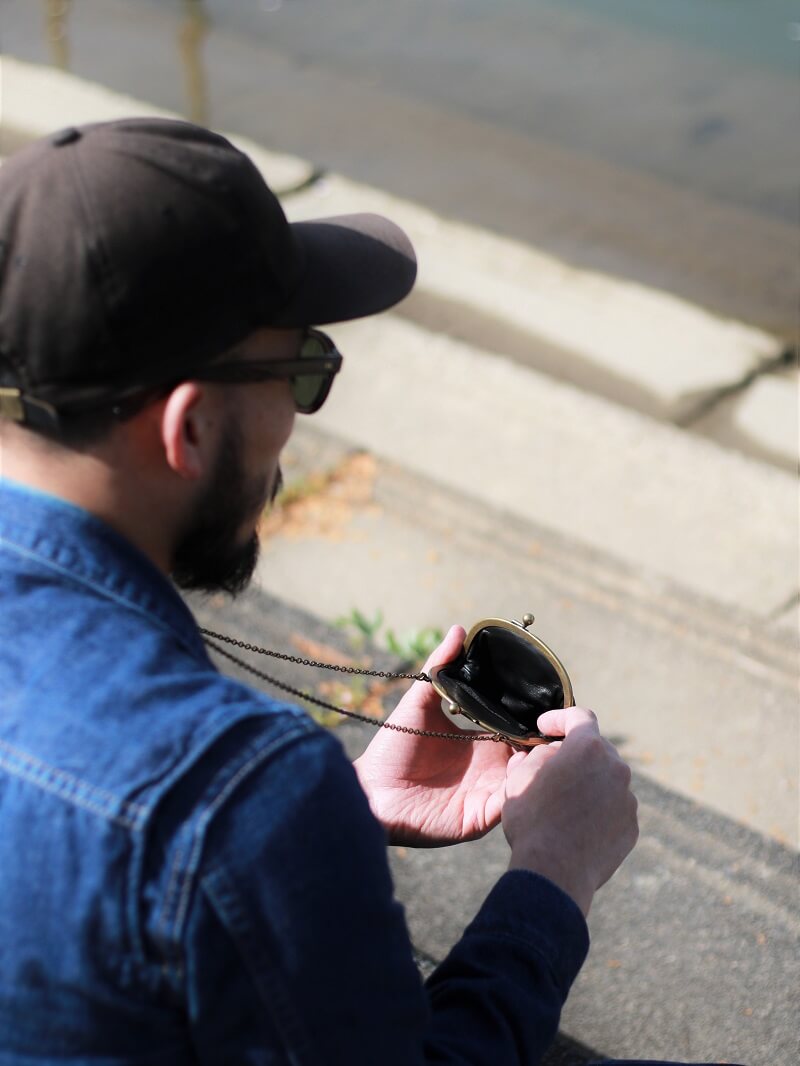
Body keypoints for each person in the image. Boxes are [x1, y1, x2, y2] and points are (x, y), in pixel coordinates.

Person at [0, 118, 641, 1063]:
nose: (298, 434)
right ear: (187, 426)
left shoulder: (238, 807)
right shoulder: (230, 791)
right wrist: (555, 875)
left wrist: (325, 826)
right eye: (303, 371)